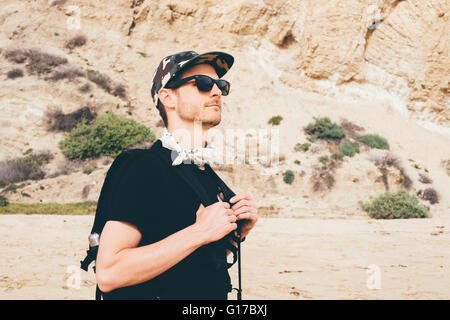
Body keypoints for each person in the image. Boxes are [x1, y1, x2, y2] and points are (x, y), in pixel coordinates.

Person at [95, 51, 258, 300]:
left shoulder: (205, 172)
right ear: (168, 97)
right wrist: (200, 231)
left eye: (221, 85)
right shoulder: (142, 167)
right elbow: (109, 273)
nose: (215, 92)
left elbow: (197, 260)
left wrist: (236, 234)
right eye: (203, 84)